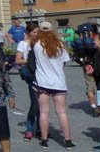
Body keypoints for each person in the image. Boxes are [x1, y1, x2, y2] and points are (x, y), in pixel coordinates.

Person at [32, 21, 76, 149]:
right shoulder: (60, 45)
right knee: (62, 112)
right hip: (58, 82)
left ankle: (44, 140)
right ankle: (68, 140)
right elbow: (63, 63)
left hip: (42, 82)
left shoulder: (37, 45)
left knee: (44, 112)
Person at [16, 23, 40, 142]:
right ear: (29, 33)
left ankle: (40, 128)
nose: (36, 34)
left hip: (42, 75)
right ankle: (29, 129)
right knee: (35, 103)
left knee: (42, 104)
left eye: (38, 32)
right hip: (31, 75)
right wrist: (30, 60)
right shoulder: (23, 44)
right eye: (34, 32)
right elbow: (18, 60)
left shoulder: (40, 43)